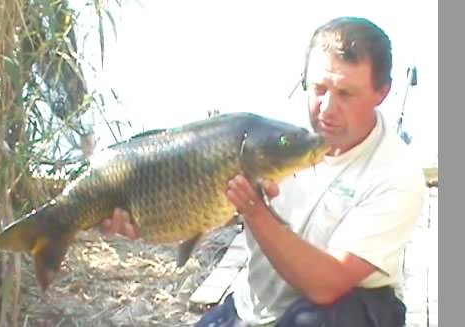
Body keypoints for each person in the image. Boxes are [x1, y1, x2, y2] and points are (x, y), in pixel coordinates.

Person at [100, 16, 426, 327]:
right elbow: (202, 205)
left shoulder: (397, 175)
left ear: (381, 92)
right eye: (319, 89)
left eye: (345, 94)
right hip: (257, 305)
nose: (326, 108)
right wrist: (147, 217)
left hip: (346, 311)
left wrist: (254, 210)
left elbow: (329, 284)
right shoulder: (272, 136)